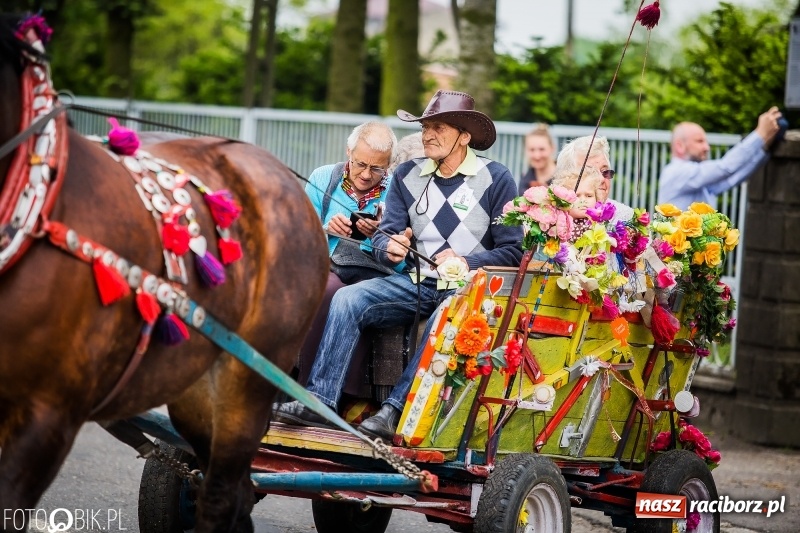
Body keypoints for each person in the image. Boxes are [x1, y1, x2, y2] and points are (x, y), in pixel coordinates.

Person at [274, 90, 523, 435]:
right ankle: (319, 400)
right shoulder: (406, 174)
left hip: (471, 290)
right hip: (418, 282)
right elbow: (382, 238)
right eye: (425, 127)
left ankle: (393, 412)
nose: (427, 135)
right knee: (348, 298)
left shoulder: (497, 178)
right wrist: (389, 246)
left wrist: (466, 260)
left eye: (439, 128)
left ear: (464, 137)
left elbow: (513, 250)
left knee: (445, 316)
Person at [297, 121, 399, 391]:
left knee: (358, 297)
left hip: (375, 270)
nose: (366, 174)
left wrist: (378, 234)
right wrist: (327, 230)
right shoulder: (323, 178)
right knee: (326, 291)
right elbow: (301, 234)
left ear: (389, 164)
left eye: (377, 168)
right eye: (360, 163)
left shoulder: (397, 190)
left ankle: (343, 395)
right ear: (348, 153)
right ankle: (305, 386)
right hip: (330, 266)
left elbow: (401, 246)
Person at [657, 107, 783, 210]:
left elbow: (733, 178)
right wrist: (760, 134)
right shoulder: (677, 172)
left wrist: (764, 149)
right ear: (680, 146)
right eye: (699, 141)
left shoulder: (696, 180)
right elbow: (725, 167)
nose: (707, 147)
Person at [555, 134, 633, 223]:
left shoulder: (626, 218)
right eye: (590, 172)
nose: (601, 179)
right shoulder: (547, 219)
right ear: (566, 178)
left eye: (605, 171)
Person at [552, 168, 604, 243]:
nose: (583, 200)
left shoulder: (600, 225)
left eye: (589, 196)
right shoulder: (558, 225)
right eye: (576, 196)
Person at [518, 123, 557, 195]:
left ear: (552, 148)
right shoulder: (525, 178)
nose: (537, 156)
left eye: (542, 149)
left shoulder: (564, 177)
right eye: (532, 150)